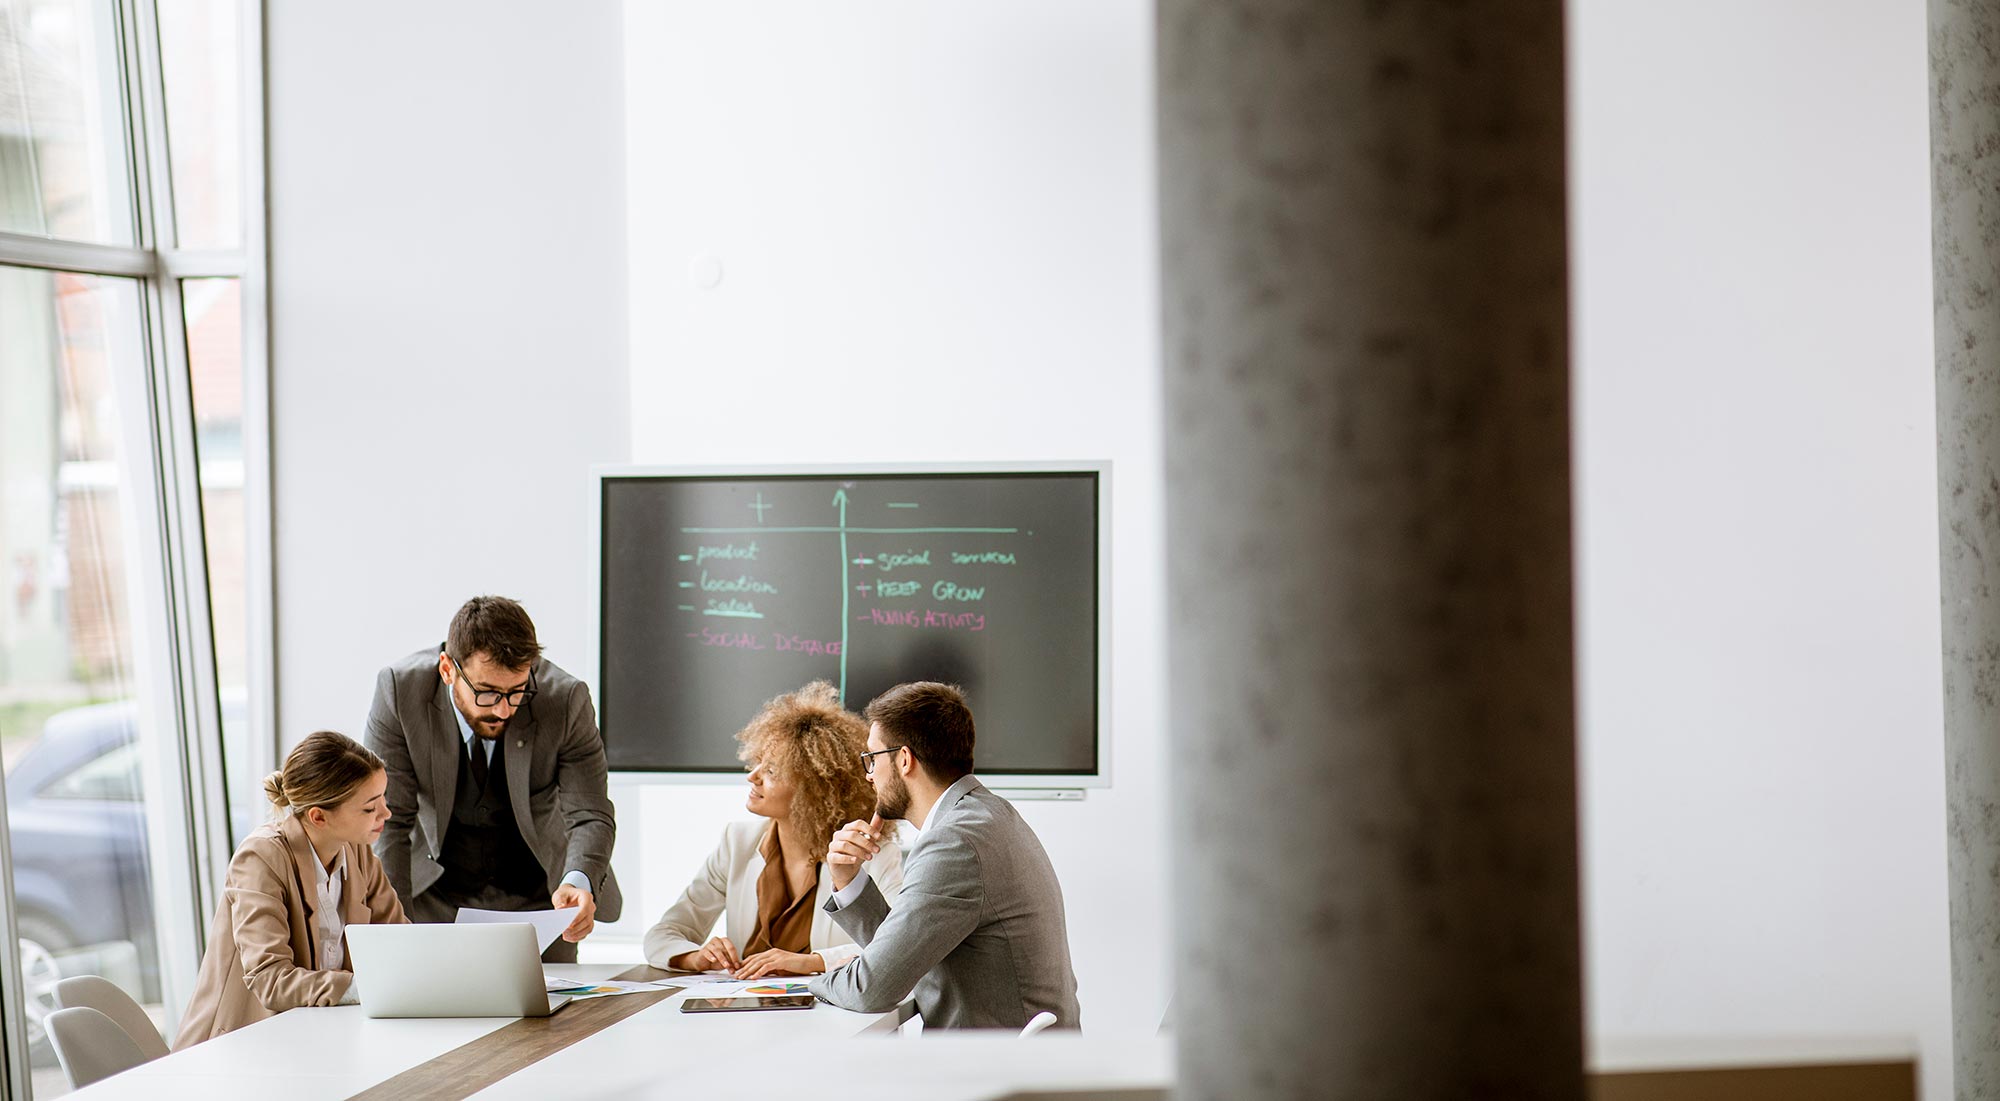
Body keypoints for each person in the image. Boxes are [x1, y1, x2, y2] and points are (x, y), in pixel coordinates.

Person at [808, 681, 1081, 1028]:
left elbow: (871, 988)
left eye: (872, 759)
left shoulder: (955, 843)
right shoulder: (989, 815)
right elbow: (901, 955)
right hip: (1032, 1057)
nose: (869, 776)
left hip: (1000, 1068)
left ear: (904, 760)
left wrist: (800, 988)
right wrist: (848, 880)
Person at [365, 595, 620, 963]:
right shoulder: (400, 692)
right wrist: (394, 929)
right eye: (487, 692)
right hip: (434, 902)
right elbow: (389, 819)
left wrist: (577, 881)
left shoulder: (565, 699)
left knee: (553, 1018)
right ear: (447, 670)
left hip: (542, 903)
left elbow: (590, 813)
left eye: (518, 691)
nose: (504, 710)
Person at [644, 681, 904, 977]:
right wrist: (695, 957)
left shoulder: (872, 853)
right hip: (746, 1012)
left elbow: (899, 945)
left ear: (815, 789)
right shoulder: (737, 842)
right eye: (758, 764)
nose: (752, 777)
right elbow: (663, 934)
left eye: (771, 771)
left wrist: (811, 962)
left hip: (828, 1014)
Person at [175, 731, 407, 1047]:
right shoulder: (261, 858)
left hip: (319, 1038)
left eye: (383, 800)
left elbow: (401, 941)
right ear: (318, 817)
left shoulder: (357, 851)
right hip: (241, 1046)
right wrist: (362, 988)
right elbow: (268, 978)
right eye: (370, 808)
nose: (386, 814)